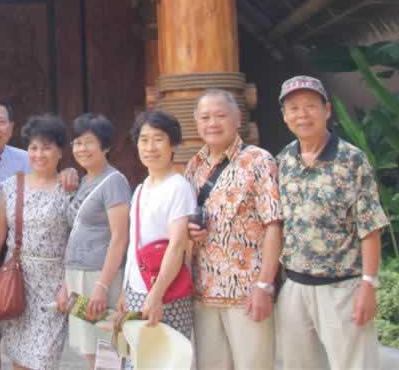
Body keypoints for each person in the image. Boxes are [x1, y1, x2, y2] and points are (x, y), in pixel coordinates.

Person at [275, 76, 388, 370]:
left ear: (326, 110)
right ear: (285, 116)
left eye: (310, 106)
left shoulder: (351, 159)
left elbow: (370, 227)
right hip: (295, 287)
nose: (302, 114)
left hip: (342, 288)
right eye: (294, 108)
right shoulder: (284, 160)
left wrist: (368, 285)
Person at [0, 96, 78, 370]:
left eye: (46, 148)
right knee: (17, 356)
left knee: (43, 359)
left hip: (52, 282)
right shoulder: (2, 181)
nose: (38, 154)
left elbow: (76, 239)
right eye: (34, 148)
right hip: (15, 276)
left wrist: (70, 282)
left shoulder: (67, 188)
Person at [183, 89, 281, 370]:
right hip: (203, 293)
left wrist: (264, 285)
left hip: (246, 293)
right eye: (205, 117)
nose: (212, 123)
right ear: (197, 123)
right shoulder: (194, 165)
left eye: (220, 116)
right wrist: (191, 232)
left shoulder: (259, 161)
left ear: (238, 119)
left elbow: (274, 225)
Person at [119, 110, 195, 370]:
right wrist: (125, 289)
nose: (150, 147)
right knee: (138, 361)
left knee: (166, 362)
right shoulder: (141, 188)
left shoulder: (178, 187)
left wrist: (157, 294)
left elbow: (177, 245)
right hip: (136, 290)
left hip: (166, 293)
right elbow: (134, 246)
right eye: (144, 140)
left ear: (173, 145)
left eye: (158, 139)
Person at [60, 113, 132, 368]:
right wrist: (66, 282)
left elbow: (120, 238)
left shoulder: (114, 182)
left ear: (106, 146)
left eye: (89, 142)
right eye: (77, 143)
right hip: (77, 275)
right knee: (91, 351)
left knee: (108, 351)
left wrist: (102, 285)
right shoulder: (82, 181)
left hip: (101, 277)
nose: (82, 149)